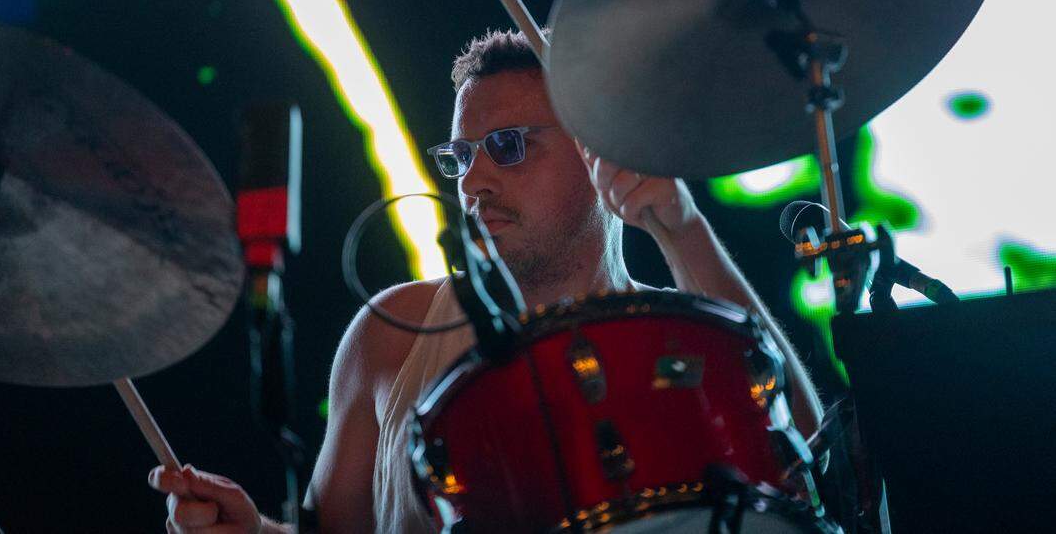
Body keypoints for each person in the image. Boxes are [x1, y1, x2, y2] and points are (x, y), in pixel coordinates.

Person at [150, 29, 824, 533]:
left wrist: (682, 227)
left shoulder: (676, 342)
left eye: (509, 145)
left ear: (600, 150)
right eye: (461, 157)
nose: (473, 181)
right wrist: (257, 531)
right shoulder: (391, 335)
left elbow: (808, 458)